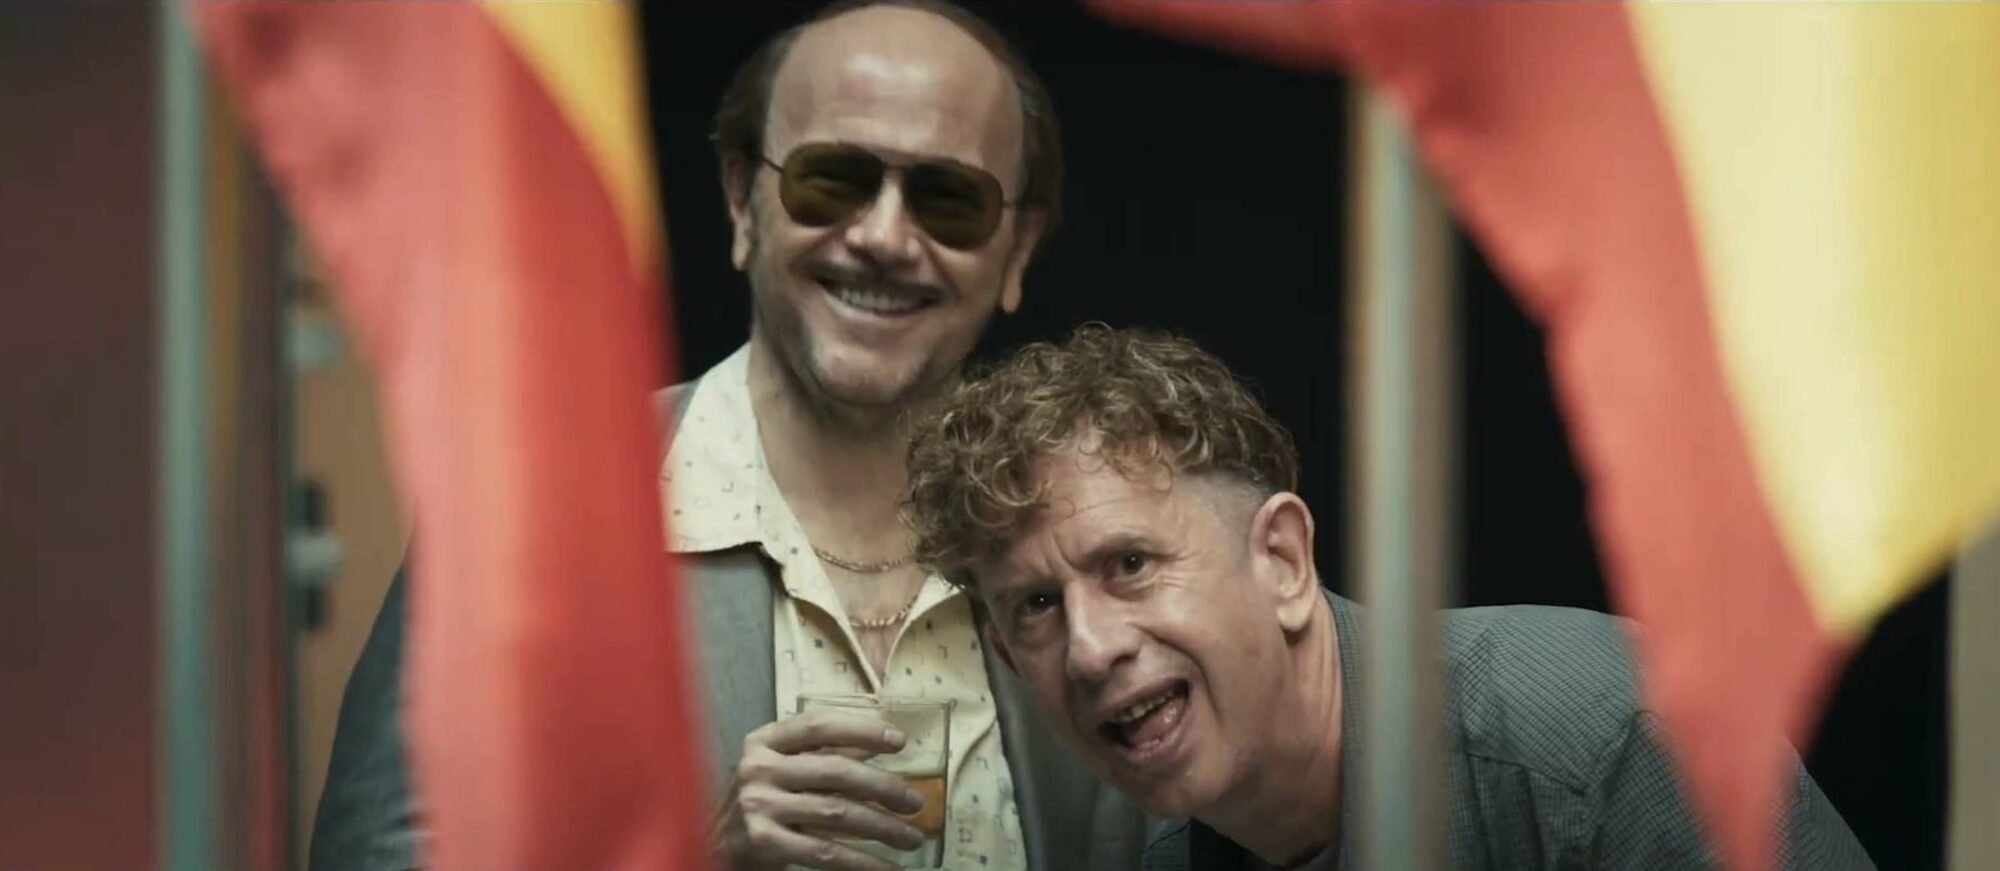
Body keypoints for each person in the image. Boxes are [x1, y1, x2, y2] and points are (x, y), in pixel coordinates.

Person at [309, 3, 1151, 870]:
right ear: (744, 203)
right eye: (833, 180)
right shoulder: (542, 509)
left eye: (949, 199)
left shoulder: (1093, 536)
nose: (885, 237)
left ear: (1018, 250)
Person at [901, 325, 1876, 870]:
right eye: (1035, 607)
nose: (1088, 646)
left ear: (1282, 560)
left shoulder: (1597, 732)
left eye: (1129, 564)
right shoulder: (1170, 856)